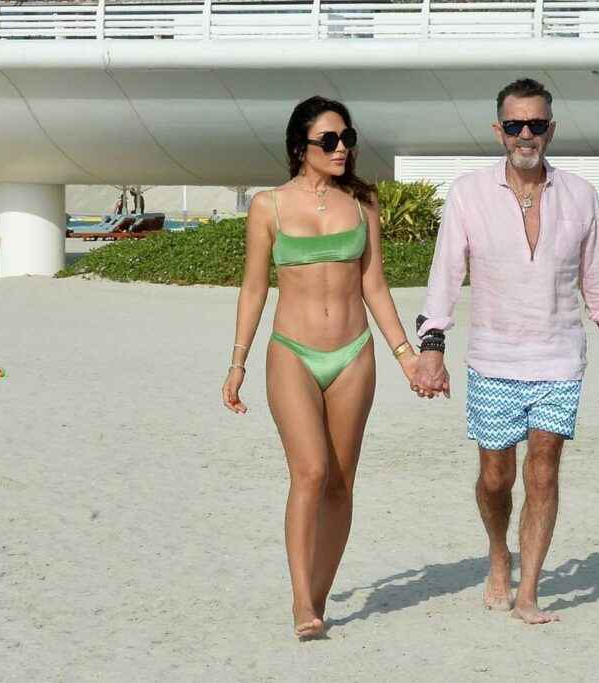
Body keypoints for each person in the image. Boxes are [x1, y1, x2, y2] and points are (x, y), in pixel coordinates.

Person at [412, 78, 599, 625]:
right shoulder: (468, 193)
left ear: (551, 129)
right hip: (492, 358)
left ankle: (528, 591)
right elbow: (445, 273)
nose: (525, 134)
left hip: (560, 358)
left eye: (535, 124)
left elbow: (596, 280)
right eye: (515, 125)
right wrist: (432, 345)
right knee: (495, 478)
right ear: (499, 131)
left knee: (544, 471)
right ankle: (497, 553)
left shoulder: (581, 194)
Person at [222, 96, 420, 639]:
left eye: (347, 138)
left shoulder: (363, 202)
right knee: (309, 472)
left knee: (340, 483)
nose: (341, 149)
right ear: (299, 146)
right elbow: (254, 288)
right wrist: (237, 363)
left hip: (354, 353)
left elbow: (374, 284)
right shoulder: (268, 206)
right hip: (292, 351)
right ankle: (299, 600)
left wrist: (406, 356)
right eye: (328, 140)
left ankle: (319, 595)